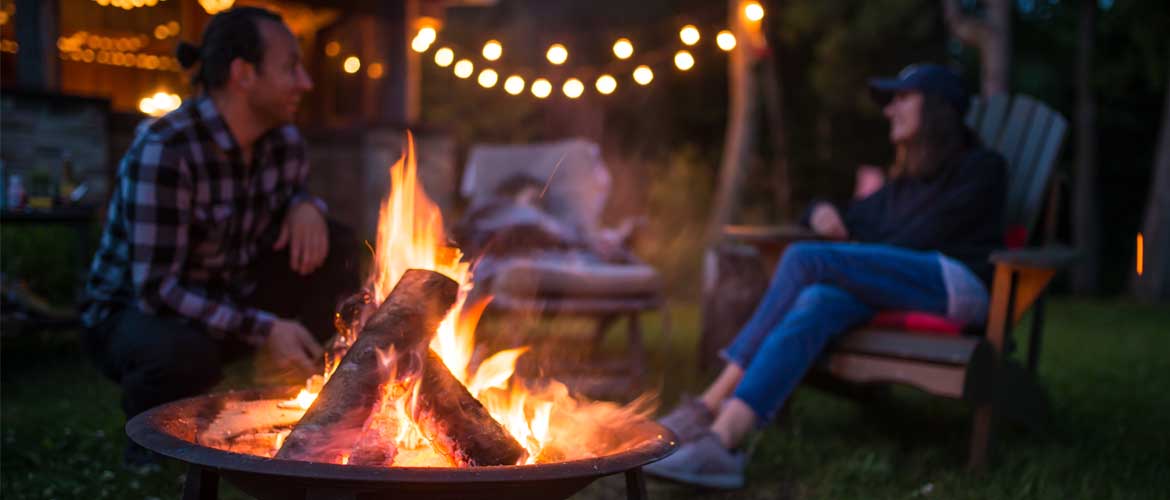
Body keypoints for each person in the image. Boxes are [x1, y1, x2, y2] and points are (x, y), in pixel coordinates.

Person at [644, 64, 1007, 489]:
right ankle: (723, 444)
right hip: (895, 286)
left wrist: (848, 253)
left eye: (902, 98)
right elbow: (847, 219)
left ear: (939, 108)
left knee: (804, 259)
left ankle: (707, 405)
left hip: (955, 285)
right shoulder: (901, 187)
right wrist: (821, 212)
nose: (890, 110)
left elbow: (924, 237)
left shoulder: (983, 167)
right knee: (817, 299)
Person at [80, 7, 360, 467]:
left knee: (338, 244)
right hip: (133, 313)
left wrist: (306, 205)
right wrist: (266, 326)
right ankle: (151, 447)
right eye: (291, 67)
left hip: (227, 295)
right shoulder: (166, 151)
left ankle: (304, 390)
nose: (306, 82)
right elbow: (156, 290)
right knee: (183, 352)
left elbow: (295, 202)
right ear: (242, 74)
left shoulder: (283, 142)